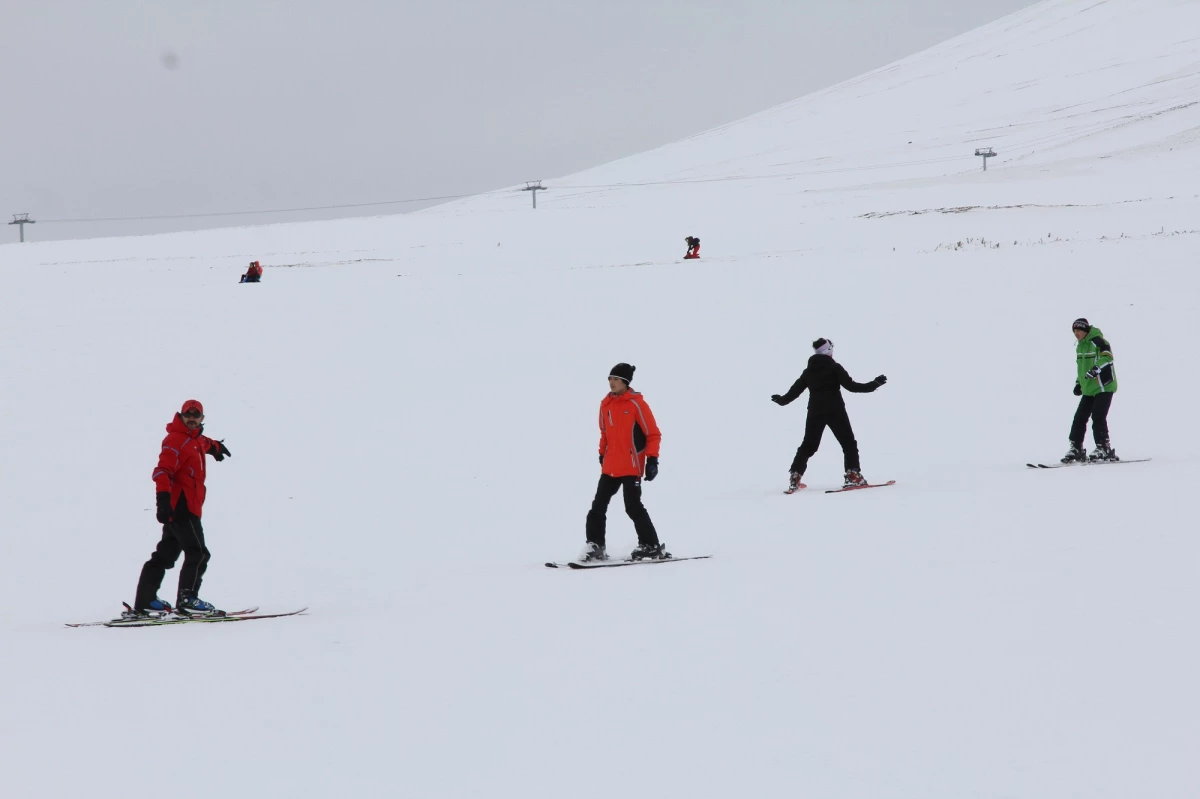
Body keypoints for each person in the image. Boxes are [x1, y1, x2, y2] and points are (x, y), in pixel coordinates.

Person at [130, 399, 232, 617]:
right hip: (181, 507)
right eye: (188, 414)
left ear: (202, 419)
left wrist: (215, 447)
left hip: (186, 506)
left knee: (164, 555)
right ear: (181, 416)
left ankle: (145, 601)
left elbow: (203, 443)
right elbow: (162, 471)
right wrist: (163, 501)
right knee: (198, 553)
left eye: (196, 415)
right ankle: (188, 599)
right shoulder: (176, 440)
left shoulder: (194, 440)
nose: (192, 418)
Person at [771, 338, 886, 491]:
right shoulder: (834, 367)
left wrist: (781, 400)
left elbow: (795, 391)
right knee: (848, 443)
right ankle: (853, 475)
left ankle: (795, 476)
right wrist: (874, 384)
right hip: (835, 410)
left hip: (815, 411)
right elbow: (852, 386)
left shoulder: (809, 371)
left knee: (808, 445)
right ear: (828, 351)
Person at [582, 363, 668, 562]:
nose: (612, 382)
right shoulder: (605, 404)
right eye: (610, 379)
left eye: (616, 379)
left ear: (625, 382)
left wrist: (652, 459)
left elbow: (653, 434)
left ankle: (651, 545)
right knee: (597, 507)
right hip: (611, 466)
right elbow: (604, 433)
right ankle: (595, 546)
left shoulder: (637, 404)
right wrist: (602, 453)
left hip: (631, 466)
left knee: (633, 507)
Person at [1063, 317, 1118, 463]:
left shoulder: (1099, 341)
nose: (1076, 333)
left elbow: (1108, 357)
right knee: (1079, 418)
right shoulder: (1080, 346)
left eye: (1079, 330)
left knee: (1098, 416)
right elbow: (1081, 368)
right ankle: (1076, 448)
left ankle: (1104, 448)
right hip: (1088, 388)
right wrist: (1078, 383)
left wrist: (1096, 368)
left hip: (1103, 386)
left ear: (1085, 330)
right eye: (1074, 331)